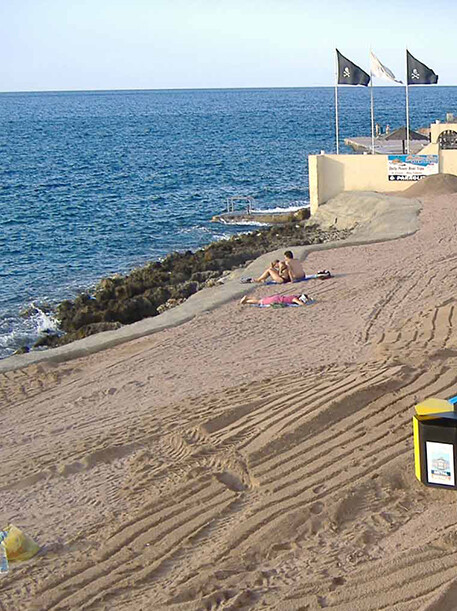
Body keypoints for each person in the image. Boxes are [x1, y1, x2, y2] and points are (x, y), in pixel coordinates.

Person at [240, 293, 311, 306]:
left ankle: (248, 298)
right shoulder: (294, 298)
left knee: (261, 300)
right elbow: (301, 303)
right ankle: (245, 301)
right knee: (260, 301)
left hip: (277, 297)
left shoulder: (294, 296)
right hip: (276, 300)